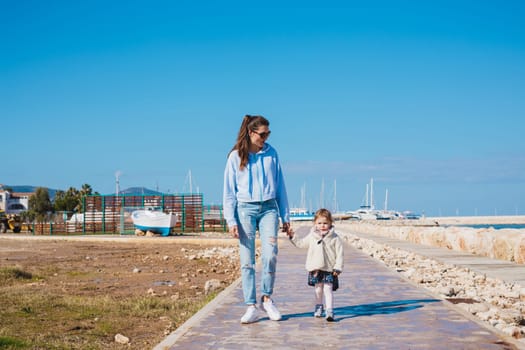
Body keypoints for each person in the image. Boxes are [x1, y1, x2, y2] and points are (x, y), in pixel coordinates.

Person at [223, 114, 292, 324]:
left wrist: (285, 217)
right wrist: (230, 220)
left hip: (269, 208)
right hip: (245, 210)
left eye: (268, 133)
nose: (266, 137)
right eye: (263, 134)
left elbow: (280, 186)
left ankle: (267, 299)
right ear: (252, 133)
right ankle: (251, 305)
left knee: (270, 254)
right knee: (247, 260)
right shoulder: (236, 157)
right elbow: (229, 192)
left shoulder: (272, 154)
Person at [287, 208, 343, 321]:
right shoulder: (312, 236)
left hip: (329, 268)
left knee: (328, 289)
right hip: (316, 268)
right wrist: (293, 236)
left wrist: (338, 267)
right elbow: (301, 244)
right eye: (319, 223)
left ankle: (330, 311)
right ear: (315, 223)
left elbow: (340, 253)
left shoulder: (335, 238)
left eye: (325, 223)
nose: (322, 226)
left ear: (331, 223)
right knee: (318, 289)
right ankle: (318, 307)